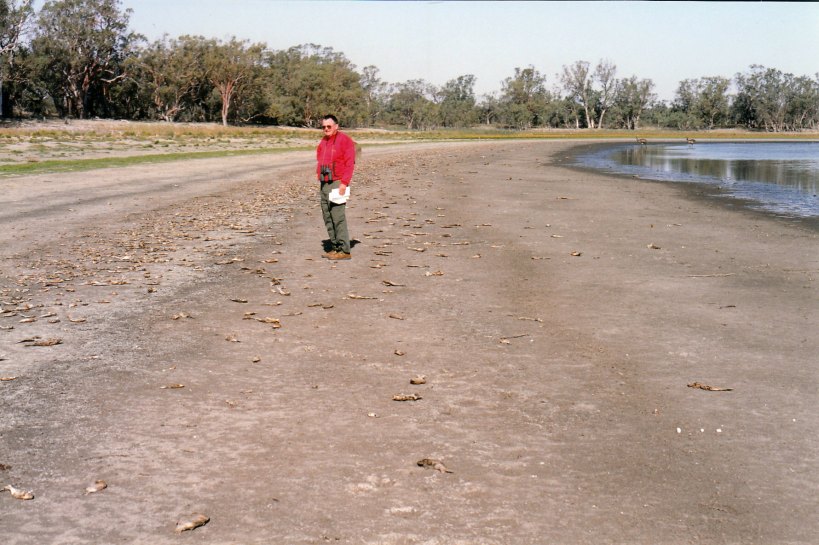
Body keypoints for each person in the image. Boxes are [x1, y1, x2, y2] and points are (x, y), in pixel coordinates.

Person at [316, 114, 356, 260]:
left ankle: (344, 250)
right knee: (327, 216)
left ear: (336, 126)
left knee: (338, 217)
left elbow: (350, 164)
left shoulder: (345, 141)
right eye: (324, 127)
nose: (326, 129)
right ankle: (335, 247)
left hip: (338, 183)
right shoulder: (324, 141)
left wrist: (344, 183)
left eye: (329, 126)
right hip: (324, 183)